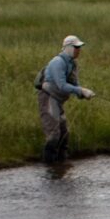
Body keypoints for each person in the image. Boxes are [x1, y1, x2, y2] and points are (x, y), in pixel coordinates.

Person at [36, 34, 94, 163]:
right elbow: (61, 85)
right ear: (68, 47)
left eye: (79, 47)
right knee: (54, 135)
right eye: (76, 47)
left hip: (58, 101)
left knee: (64, 134)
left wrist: (82, 94)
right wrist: (81, 90)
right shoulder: (57, 62)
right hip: (48, 99)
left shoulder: (73, 64)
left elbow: (74, 83)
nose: (79, 50)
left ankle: (61, 164)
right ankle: (50, 166)